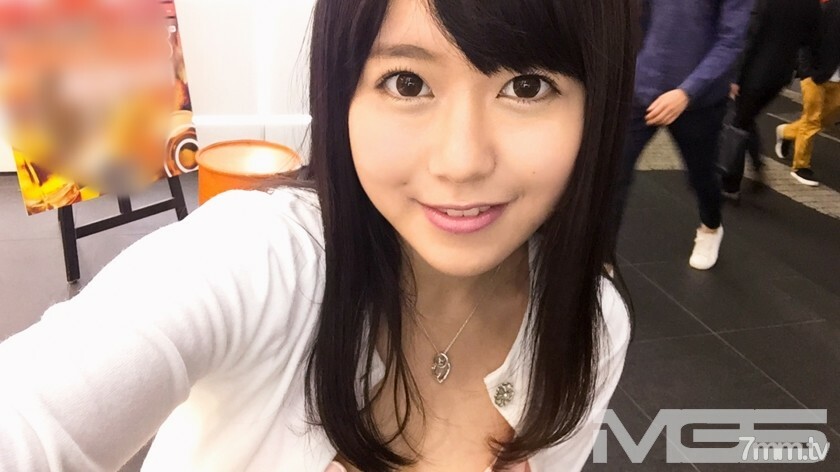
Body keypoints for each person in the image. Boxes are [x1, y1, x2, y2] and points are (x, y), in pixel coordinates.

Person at [0, 0, 635, 471]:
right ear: (342, 94)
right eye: (407, 82)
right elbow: (30, 419)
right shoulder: (257, 260)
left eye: (526, 86)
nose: (462, 161)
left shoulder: (592, 325)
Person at [611, 0, 753, 271]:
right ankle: (602, 260)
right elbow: (641, 20)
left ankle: (711, 226)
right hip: (644, 89)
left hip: (698, 102)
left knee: (701, 175)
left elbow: (731, 42)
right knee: (614, 174)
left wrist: (687, 92)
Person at [720, 0, 822, 200]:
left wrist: (735, 76)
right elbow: (812, 40)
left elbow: (751, 36)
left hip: (754, 73)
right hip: (781, 74)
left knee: (738, 124)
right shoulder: (812, 4)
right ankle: (757, 167)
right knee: (746, 119)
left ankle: (730, 185)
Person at [774, 0, 840, 186]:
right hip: (816, 74)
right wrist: (807, 70)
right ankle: (800, 166)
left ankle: (787, 131)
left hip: (836, 78)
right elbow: (805, 37)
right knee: (812, 119)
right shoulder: (829, 8)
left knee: (825, 119)